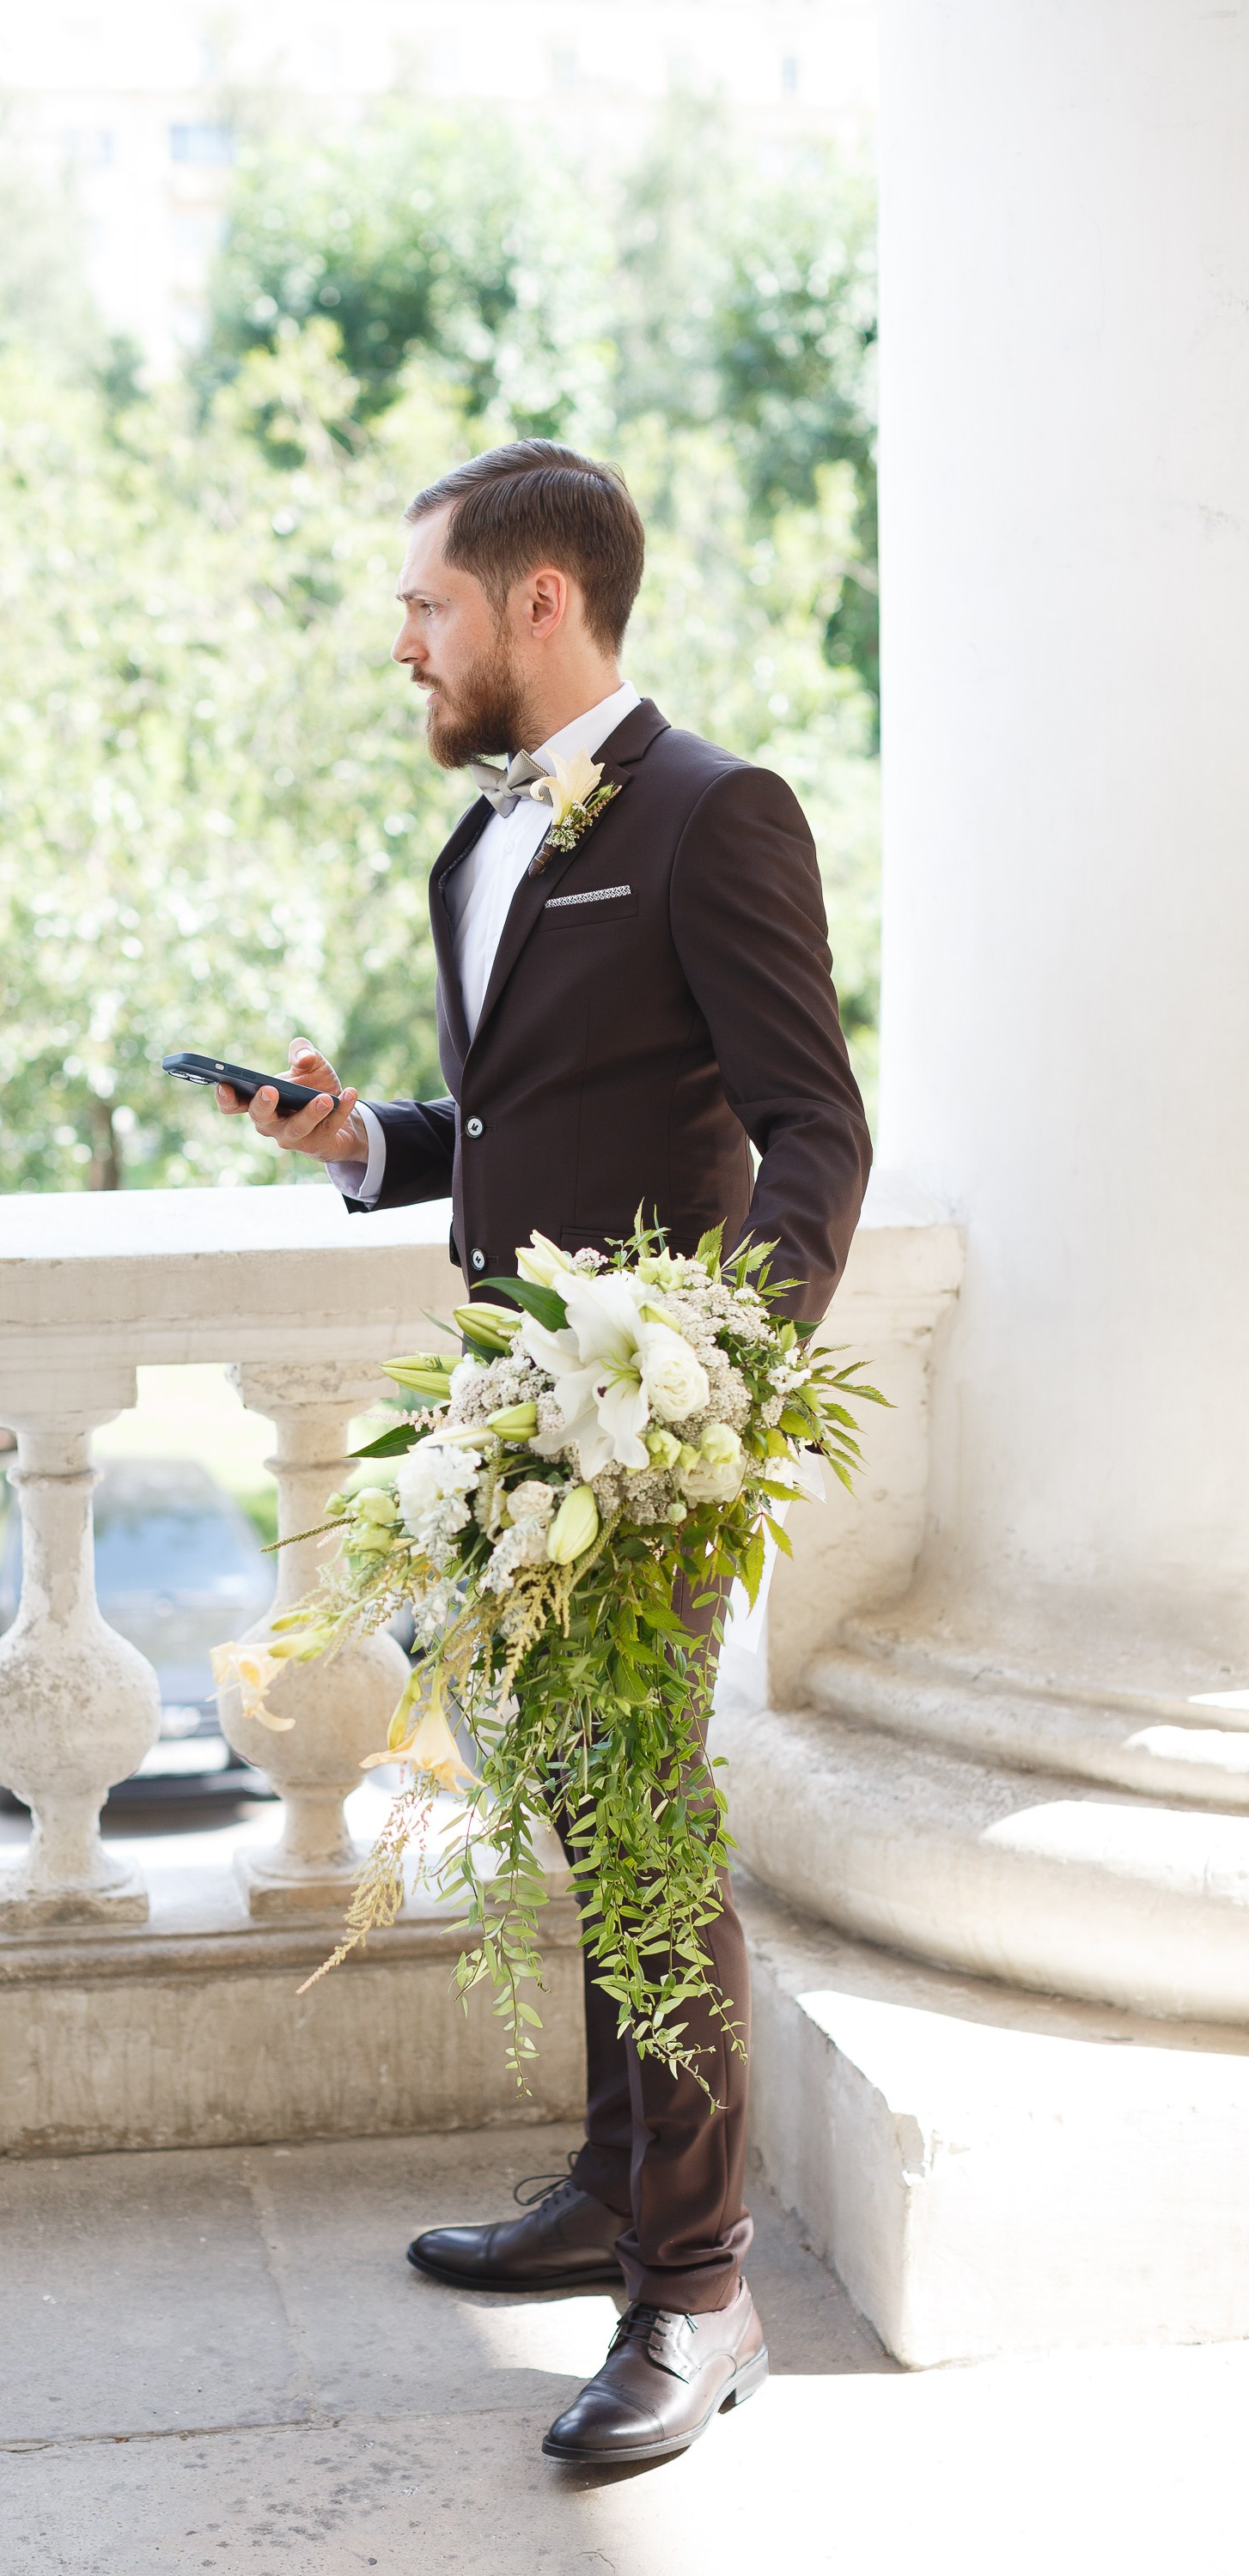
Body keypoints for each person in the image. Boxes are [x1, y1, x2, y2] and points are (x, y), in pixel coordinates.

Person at [216, 439, 870, 2465]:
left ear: (531, 605)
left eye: (421, 607)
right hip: (515, 1421)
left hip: (644, 1437)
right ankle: (610, 2186)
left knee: (654, 1842)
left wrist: (700, 1390)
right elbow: (528, 1115)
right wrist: (369, 1143)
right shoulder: (481, 839)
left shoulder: (711, 811)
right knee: (590, 1813)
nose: (397, 644)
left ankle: (699, 2289)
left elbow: (810, 1134)